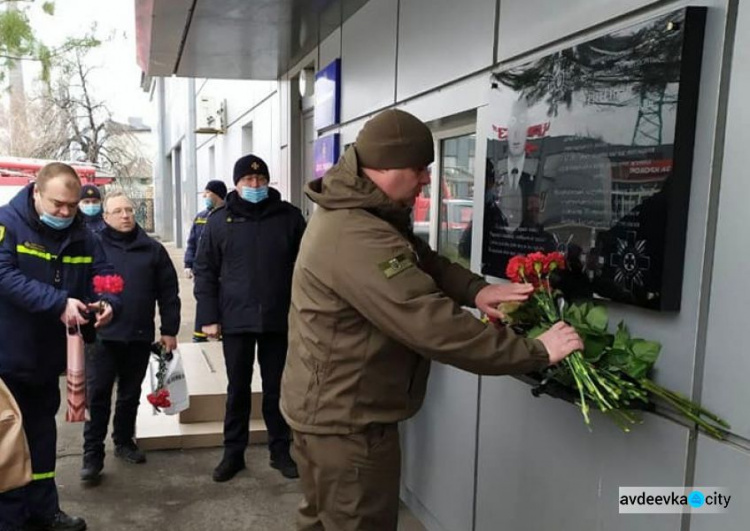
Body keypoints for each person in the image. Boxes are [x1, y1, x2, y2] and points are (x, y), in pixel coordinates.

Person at [280, 109, 583, 530]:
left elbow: (421, 261)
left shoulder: (362, 211)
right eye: (420, 168)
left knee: (321, 522)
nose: (426, 180)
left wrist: (478, 290)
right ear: (385, 166)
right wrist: (535, 351)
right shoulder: (357, 233)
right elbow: (433, 325)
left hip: (330, 412)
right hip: (348, 425)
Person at [0, 163, 117, 531]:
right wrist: (58, 302)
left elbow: (105, 275)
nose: (66, 213)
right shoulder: (7, 224)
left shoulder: (84, 233)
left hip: (47, 358)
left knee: (41, 435)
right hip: (7, 355)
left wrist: (109, 301)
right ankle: (11, 518)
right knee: (7, 443)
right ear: (36, 192)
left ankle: (44, 511)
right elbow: (3, 274)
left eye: (72, 205)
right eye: (57, 205)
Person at [194, 154, 306, 482]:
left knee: (277, 389)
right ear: (237, 184)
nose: (254, 185)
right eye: (247, 181)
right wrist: (208, 317)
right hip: (235, 319)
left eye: (260, 180)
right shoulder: (219, 221)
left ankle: (280, 450)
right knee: (237, 389)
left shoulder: (290, 218)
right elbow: (205, 271)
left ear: (268, 181)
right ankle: (233, 453)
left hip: (279, 319)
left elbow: (307, 270)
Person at [80, 190, 181, 484]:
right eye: (118, 211)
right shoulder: (92, 247)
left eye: (129, 210)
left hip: (138, 335)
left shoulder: (152, 249)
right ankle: (92, 455)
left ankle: (123, 441)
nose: (125, 215)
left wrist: (169, 330)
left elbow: (168, 292)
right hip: (101, 337)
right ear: (106, 216)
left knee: (129, 394)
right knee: (97, 397)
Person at [184, 179, 227, 342]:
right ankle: (200, 333)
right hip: (203, 269)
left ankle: (222, 330)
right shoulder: (201, 217)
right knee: (204, 299)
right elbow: (192, 242)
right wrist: (188, 264)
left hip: (222, 271)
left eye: (207, 192)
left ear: (217, 194)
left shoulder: (228, 216)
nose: (204, 196)